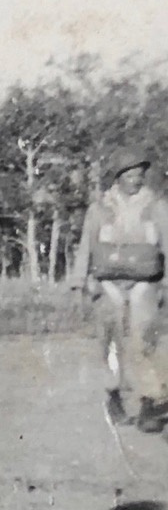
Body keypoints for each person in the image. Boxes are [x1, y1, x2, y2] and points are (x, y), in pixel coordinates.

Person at [71, 145, 168, 432]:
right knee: (110, 343)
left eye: (140, 174)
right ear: (118, 177)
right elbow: (86, 246)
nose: (136, 180)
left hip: (144, 283)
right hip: (107, 283)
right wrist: (79, 282)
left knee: (143, 340)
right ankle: (114, 398)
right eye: (129, 174)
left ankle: (149, 402)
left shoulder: (157, 206)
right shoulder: (100, 208)